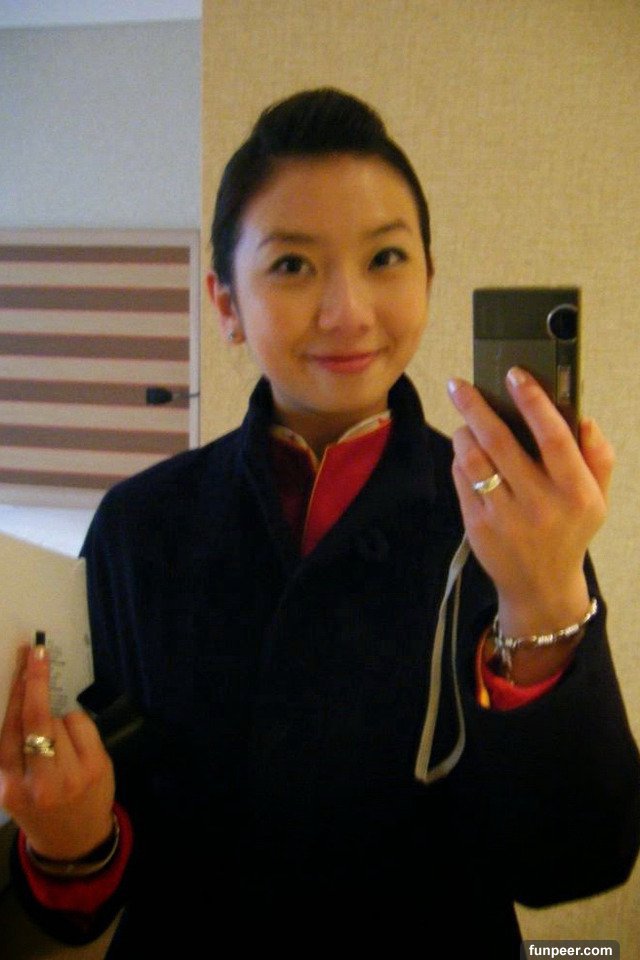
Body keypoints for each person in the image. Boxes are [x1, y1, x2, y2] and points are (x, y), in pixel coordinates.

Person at [1, 88, 639, 959]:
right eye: (294, 266)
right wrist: (69, 841)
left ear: (428, 277)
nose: (348, 311)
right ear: (226, 303)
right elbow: (87, 873)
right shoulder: (139, 525)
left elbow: (574, 862)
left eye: (385, 258)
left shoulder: (514, 516)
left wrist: (545, 598)